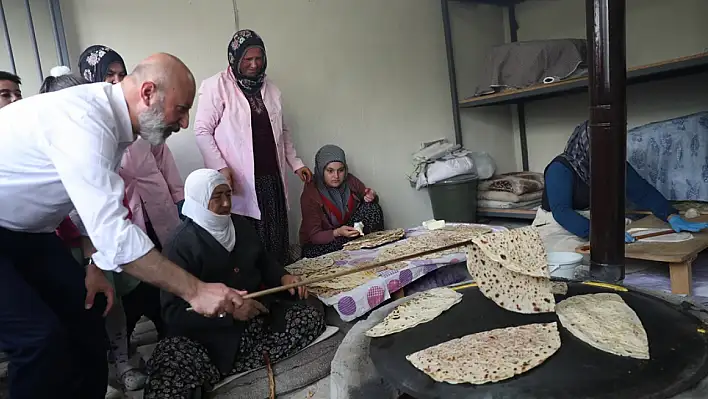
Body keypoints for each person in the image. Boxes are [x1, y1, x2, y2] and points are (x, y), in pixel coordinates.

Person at [0, 53, 245, 399]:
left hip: (29, 232)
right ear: (148, 93)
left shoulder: (117, 127)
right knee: (38, 340)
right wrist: (195, 290)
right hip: (6, 229)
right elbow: (116, 235)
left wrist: (98, 264)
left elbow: (93, 203)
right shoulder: (86, 121)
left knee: (88, 317)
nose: (186, 123)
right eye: (181, 109)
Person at [144, 169, 326, 398]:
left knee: (311, 315)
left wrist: (283, 277)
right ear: (198, 199)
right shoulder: (180, 245)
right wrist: (228, 314)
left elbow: (263, 261)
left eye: (228, 194)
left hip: (253, 321)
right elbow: (173, 313)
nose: (226, 203)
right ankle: (220, 367)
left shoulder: (239, 226)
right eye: (217, 196)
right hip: (205, 336)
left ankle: (225, 369)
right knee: (172, 371)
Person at [79, 46, 182, 390]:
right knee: (130, 295)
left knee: (165, 292)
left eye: (121, 74)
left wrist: (179, 198)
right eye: (109, 76)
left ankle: (173, 349)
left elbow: (163, 159)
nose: (117, 82)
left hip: (158, 211)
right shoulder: (92, 126)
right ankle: (123, 357)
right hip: (124, 220)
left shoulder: (143, 119)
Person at [195, 29, 313, 266]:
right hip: (240, 181)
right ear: (235, 59)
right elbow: (202, 131)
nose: (254, 64)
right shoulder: (217, 86)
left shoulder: (271, 89)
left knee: (276, 238)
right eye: (247, 59)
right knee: (248, 243)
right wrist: (220, 168)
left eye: (258, 58)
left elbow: (282, 131)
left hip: (271, 180)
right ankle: (257, 295)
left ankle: (281, 290)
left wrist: (296, 163)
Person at [534, 120, 708, 253]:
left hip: (593, 221)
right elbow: (561, 212)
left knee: (628, 248)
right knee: (580, 258)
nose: (607, 154)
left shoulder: (613, 161)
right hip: (556, 226)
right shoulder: (560, 169)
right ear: (586, 146)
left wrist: (671, 215)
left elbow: (643, 192)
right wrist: (600, 234)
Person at [299, 145, 384, 258]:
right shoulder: (311, 193)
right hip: (322, 242)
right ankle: (356, 247)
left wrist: (370, 195)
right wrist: (337, 232)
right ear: (321, 169)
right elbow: (314, 236)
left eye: (341, 170)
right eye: (330, 171)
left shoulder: (349, 181)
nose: (336, 176)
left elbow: (367, 197)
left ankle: (363, 246)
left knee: (372, 208)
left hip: (347, 233)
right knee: (313, 254)